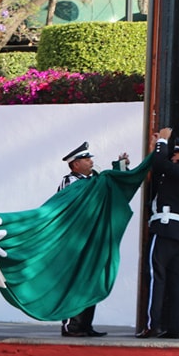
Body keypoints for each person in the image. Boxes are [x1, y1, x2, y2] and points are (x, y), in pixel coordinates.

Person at [56, 141, 129, 337]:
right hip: (76, 241)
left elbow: (111, 185)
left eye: (89, 158)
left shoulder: (95, 180)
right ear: (75, 164)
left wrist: (121, 166)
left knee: (90, 280)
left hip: (92, 239)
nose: (90, 161)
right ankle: (71, 325)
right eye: (86, 159)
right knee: (76, 280)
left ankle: (85, 325)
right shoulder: (70, 181)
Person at [137, 128, 179, 339]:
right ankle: (175, 327)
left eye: (174, 155)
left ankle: (152, 324)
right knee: (174, 280)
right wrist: (157, 148)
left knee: (156, 276)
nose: (171, 158)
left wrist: (162, 141)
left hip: (163, 228)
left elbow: (159, 165)